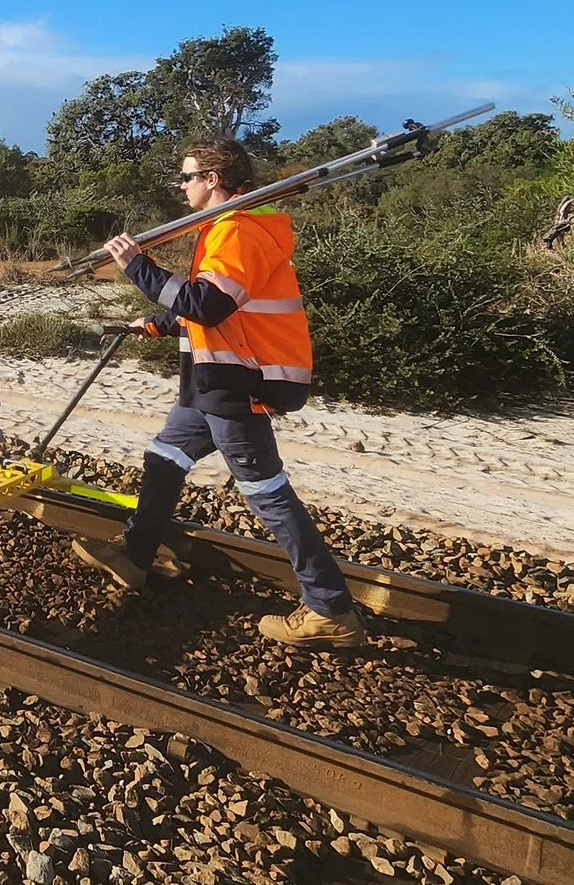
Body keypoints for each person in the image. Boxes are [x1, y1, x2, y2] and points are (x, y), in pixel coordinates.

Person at [74, 139, 366, 649]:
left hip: (239, 383)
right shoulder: (223, 228)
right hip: (210, 382)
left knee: (266, 494)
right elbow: (210, 306)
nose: (181, 186)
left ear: (212, 178)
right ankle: (136, 553)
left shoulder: (238, 230)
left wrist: (138, 266)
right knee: (165, 455)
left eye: (186, 177)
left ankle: (330, 610)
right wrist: (156, 324)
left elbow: (207, 306)